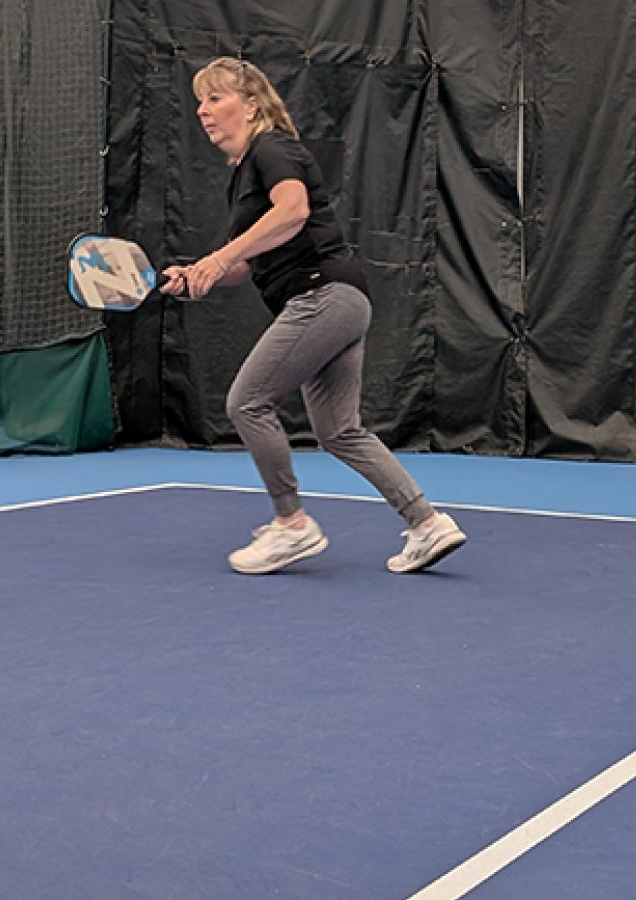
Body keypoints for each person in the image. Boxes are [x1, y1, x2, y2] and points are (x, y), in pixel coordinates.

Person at [160, 57, 466, 576]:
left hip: (320, 296)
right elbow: (252, 261)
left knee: (247, 402)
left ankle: (292, 525)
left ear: (251, 105)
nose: (203, 110)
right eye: (200, 100)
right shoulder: (243, 175)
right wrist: (201, 276)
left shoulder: (271, 148)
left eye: (215, 98)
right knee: (340, 432)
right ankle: (428, 523)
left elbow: (294, 212)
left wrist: (218, 258)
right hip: (343, 300)